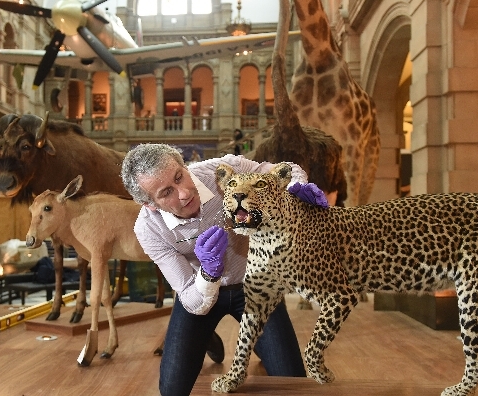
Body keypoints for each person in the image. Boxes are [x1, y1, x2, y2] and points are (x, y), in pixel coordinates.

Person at [121, 143, 327, 396]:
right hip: (202, 294)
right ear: (150, 204)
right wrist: (208, 272)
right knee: (172, 389)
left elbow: (283, 170)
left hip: (256, 287)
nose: (185, 193)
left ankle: (249, 339)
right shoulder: (148, 230)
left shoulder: (226, 171)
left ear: (184, 166)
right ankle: (206, 335)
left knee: (293, 382)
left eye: (179, 176)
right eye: (167, 193)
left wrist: (297, 189)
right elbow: (190, 297)